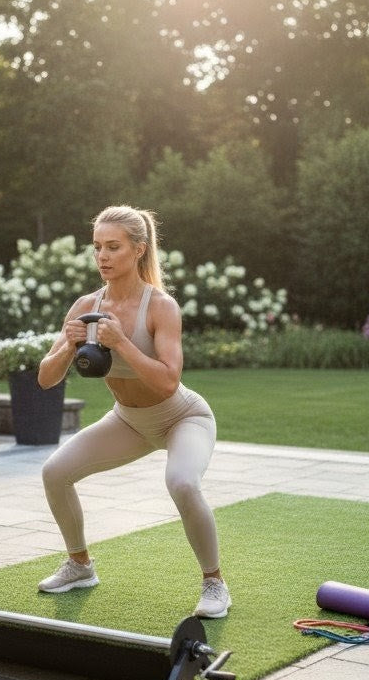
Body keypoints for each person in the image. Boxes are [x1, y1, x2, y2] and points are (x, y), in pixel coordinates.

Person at [36, 204, 230, 618]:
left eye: (113, 247)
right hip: (129, 420)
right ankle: (80, 565)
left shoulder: (160, 306)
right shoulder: (86, 305)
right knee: (55, 472)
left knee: (181, 483)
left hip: (183, 417)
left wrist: (122, 342)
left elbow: (167, 381)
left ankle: (214, 583)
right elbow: (45, 379)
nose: (102, 257)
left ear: (138, 249)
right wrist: (69, 346)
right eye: (97, 248)